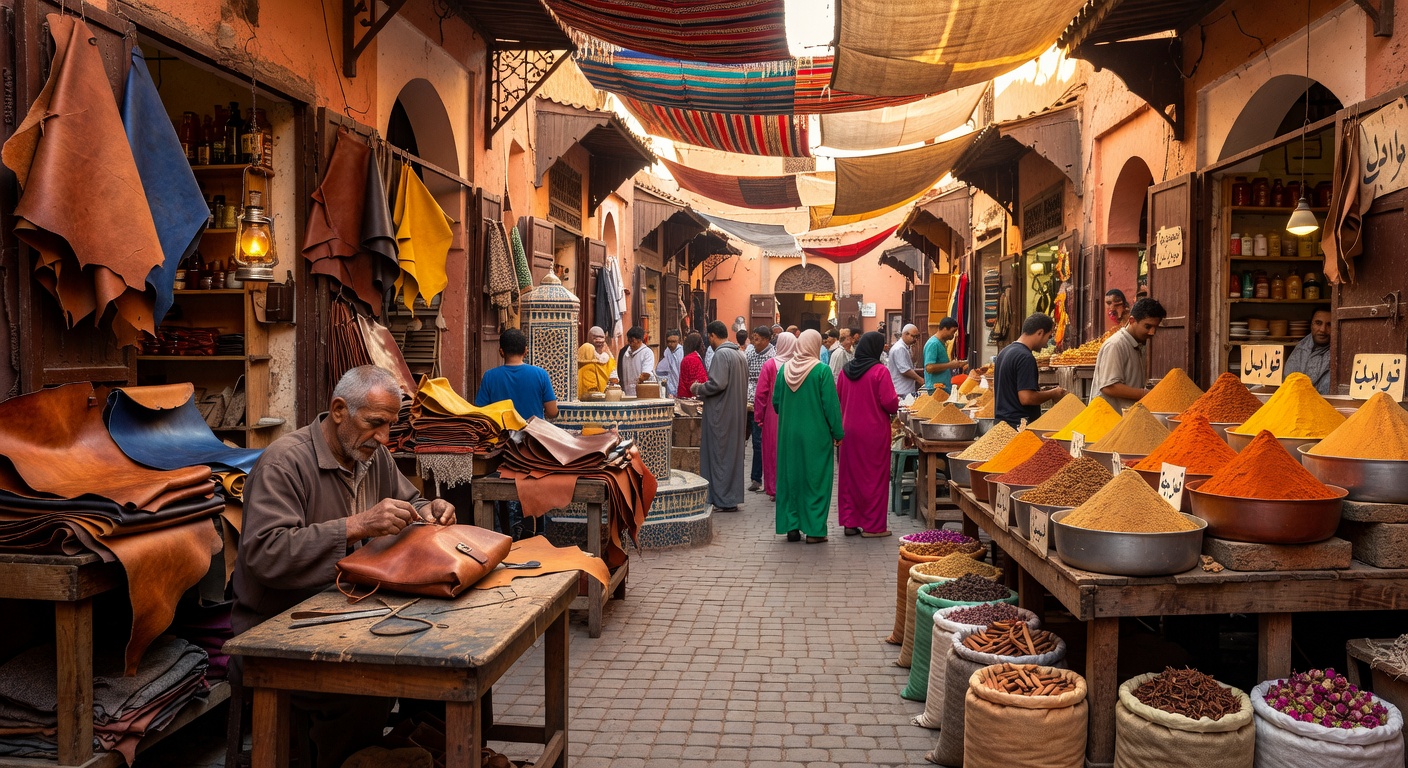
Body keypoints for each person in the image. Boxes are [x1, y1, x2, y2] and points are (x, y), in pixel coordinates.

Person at [233, 365, 455, 768]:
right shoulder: (284, 464)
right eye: (375, 424)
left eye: (390, 426)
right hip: (278, 631)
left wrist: (429, 509)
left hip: (351, 617)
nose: (385, 438)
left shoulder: (374, 455)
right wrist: (357, 526)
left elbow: (410, 502)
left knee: (447, 674)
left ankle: (409, 755)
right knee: (364, 691)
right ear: (338, 410)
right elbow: (267, 553)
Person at [772, 330, 844, 543]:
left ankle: (791, 526)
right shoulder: (821, 371)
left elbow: (776, 404)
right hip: (816, 436)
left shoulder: (784, 370)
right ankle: (814, 530)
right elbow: (831, 406)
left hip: (788, 435)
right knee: (816, 480)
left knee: (790, 478)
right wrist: (838, 432)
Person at [837, 331, 899, 537]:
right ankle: (873, 526)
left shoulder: (846, 371)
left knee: (850, 477)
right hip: (874, 432)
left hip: (849, 431)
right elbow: (890, 403)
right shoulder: (879, 371)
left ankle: (850, 522)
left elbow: (838, 397)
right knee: (874, 478)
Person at [692, 321, 748, 513]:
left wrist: (698, 388)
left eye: (710, 338)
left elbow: (717, 384)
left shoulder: (722, 354)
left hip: (721, 415)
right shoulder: (739, 354)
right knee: (731, 457)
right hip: (736, 414)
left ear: (713, 336)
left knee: (719, 456)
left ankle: (722, 499)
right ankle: (729, 498)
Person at [993, 314, 1068, 429]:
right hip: (1018, 427)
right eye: (1048, 337)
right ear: (1040, 332)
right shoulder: (1025, 357)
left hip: (1001, 426)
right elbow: (1027, 398)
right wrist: (1053, 393)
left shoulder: (1004, 352)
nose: (1046, 344)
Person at [1092, 297, 1166, 412]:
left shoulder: (1138, 344)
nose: (1152, 332)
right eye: (1147, 326)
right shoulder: (1116, 345)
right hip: (1111, 421)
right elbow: (1109, 387)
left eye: (1155, 327)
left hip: (1126, 419)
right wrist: (1146, 394)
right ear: (1132, 321)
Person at [754, 332, 796, 497]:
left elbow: (761, 394)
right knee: (791, 452)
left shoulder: (770, 365)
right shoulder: (798, 365)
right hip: (793, 415)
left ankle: (773, 488)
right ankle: (790, 487)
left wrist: (759, 416)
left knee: (772, 451)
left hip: (773, 415)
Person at [1285, 309, 1332, 394]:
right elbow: (1288, 384)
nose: (1323, 329)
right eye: (1318, 323)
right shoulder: (1301, 348)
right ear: (1311, 325)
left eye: (1329, 325)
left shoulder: (1339, 352)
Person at [924, 317, 968, 392]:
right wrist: (951, 365)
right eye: (953, 332)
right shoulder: (933, 344)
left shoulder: (941, 343)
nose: (953, 335)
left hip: (943, 388)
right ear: (945, 329)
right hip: (936, 389)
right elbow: (929, 368)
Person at [577, 326, 617, 399]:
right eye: (595, 338)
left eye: (601, 339)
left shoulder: (609, 360)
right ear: (589, 339)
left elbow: (614, 379)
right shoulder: (588, 367)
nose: (599, 342)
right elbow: (590, 391)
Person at [887, 323, 925, 396]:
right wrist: (919, 379)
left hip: (904, 389)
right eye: (913, 336)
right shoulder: (899, 348)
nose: (915, 340)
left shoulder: (905, 347)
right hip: (901, 389)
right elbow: (905, 370)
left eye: (917, 337)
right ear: (905, 334)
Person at [618, 326, 656, 397]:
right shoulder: (625, 353)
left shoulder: (647, 352)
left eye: (632, 341)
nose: (630, 343)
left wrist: (638, 382)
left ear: (640, 340)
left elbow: (646, 374)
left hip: (643, 393)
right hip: (627, 393)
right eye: (629, 341)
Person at [677, 331, 708, 397]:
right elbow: (697, 382)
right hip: (691, 400)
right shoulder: (692, 360)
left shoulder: (689, 358)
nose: (704, 347)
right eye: (702, 344)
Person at [655, 329, 684, 397]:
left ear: (679, 341)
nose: (671, 344)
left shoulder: (682, 352)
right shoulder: (667, 351)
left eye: (673, 341)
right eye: (669, 342)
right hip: (670, 387)